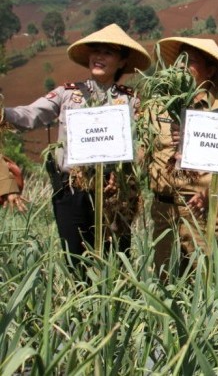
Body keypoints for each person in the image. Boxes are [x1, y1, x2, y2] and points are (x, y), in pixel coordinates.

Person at [3, 24, 151, 264]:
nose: (99, 56)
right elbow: (30, 115)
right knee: (75, 259)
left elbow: (144, 143)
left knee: (115, 260)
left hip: (113, 194)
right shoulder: (67, 94)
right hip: (71, 191)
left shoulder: (131, 101)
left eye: (108, 52)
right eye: (96, 51)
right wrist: (4, 113)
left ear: (122, 62)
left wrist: (126, 173)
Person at [146, 37, 218, 274]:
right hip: (164, 213)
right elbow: (143, 154)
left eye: (190, 61)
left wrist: (215, 192)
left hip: (208, 211)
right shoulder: (155, 108)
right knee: (165, 283)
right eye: (179, 59)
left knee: (211, 282)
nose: (181, 65)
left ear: (210, 70)